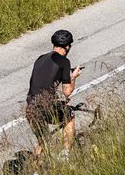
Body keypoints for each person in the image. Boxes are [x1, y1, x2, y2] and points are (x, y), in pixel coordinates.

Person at [26, 28, 83, 161]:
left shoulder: (40, 59)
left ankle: (34, 171)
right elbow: (67, 92)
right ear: (67, 47)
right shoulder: (64, 61)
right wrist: (73, 77)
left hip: (30, 107)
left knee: (43, 141)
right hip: (46, 106)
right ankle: (65, 155)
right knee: (69, 114)